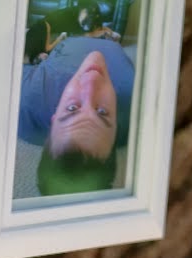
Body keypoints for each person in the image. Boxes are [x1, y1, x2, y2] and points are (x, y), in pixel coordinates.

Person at [17, 36, 135, 195]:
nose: (92, 81)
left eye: (72, 108)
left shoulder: (25, 104)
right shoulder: (140, 109)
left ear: (54, 115)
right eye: (102, 112)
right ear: (117, 127)